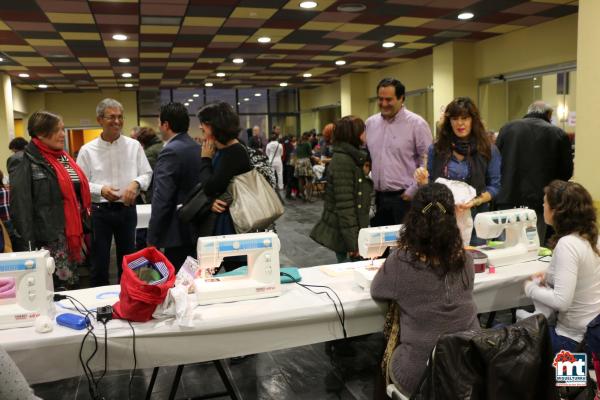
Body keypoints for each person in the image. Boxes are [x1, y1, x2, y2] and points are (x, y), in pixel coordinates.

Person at [370, 183, 479, 397]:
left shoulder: (401, 261)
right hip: (468, 370)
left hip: (420, 377)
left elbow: (377, 290)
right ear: (452, 217)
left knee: (383, 357)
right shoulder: (465, 260)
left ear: (414, 217)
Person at [9, 111, 91, 288]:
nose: (63, 134)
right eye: (57, 130)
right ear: (40, 133)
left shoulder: (63, 157)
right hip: (48, 238)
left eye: (62, 129)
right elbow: (21, 206)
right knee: (53, 289)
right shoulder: (22, 160)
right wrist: (29, 247)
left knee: (73, 285)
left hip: (71, 232)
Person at [77, 98, 152, 286]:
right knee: (99, 261)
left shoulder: (134, 146)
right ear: (100, 120)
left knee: (128, 261)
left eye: (120, 117)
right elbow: (80, 182)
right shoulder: (87, 150)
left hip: (126, 210)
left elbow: (147, 173)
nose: (117, 122)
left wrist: (135, 183)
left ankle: (127, 298)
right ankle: (97, 302)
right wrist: (100, 189)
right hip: (99, 211)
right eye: (112, 117)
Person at [524, 180, 600, 355]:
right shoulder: (592, 239)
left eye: (545, 203)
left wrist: (529, 288)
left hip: (571, 343)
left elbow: (561, 302)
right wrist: (550, 276)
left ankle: (563, 381)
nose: (543, 205)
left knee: (505, 342)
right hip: (591, 336)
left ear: (557, 211)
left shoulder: (568, 244)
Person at [414, 97, 501, 245]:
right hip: (442, 217)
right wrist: (423, 182)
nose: (460, 123)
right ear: (449, 122)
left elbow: (495, 187)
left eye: (465, 118)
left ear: (473, 120)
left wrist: (474, 201)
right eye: (455, 118)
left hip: (476, 218)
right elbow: (430, 188)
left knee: (473, 262)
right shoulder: (437, 149)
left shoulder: (487, 149)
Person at [496, 101, 573, 244]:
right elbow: (566, 173)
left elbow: (495, 163)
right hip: (539, 202)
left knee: (506, 245)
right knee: (533, 247)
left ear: (529, 111)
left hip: (507, 198)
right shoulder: (558, 134)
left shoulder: (507, 129)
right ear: (549, 115)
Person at [366, 77, 432, 226]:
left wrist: (412, 191)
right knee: (379, 248)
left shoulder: (417, 124)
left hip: (405, 199)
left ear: (401, 98)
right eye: (380, 99)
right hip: (378, 199)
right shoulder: (370, 123)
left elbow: (427, 161)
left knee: (407, 246)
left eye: (389, 99)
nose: (383, 104)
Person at [147, 103, 202, 270]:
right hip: (197, 225)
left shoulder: (170, 151)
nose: (158, 127)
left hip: (178, 231)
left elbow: (162, 197)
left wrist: (152, 237)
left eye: (159, 123)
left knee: (177, 282)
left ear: (166, 125)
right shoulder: (196, 147)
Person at [310, 116, 372, 263]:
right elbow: (345, 206)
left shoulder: (351, 157)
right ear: (354, 134)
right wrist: (354, 243)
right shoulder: (343, 161)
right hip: (345, 235)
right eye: (363, 130)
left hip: (349, 231)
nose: (366, 133)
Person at [197, 101, 252, 241]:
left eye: (203, 124)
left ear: (213, 126)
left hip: (233, 221)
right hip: (226, 216)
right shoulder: (226, 148)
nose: (200, 127)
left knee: (233, 261)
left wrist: (205, 159)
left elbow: (210, 187)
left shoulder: (233, 151)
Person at [294, 132, 314, 201]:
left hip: (298, 162)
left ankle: (303, 196)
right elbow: (310, 154)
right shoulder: (307, 143)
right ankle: (309, 197)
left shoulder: (298, 143)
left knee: (300, 180)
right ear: (308, 137)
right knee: (310, 179)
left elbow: (296, 153)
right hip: (306, 162)